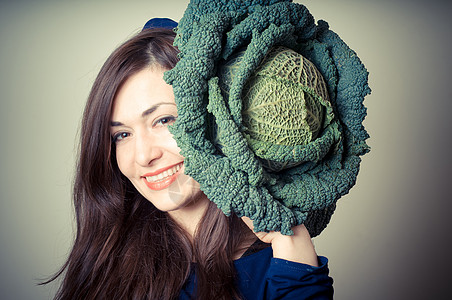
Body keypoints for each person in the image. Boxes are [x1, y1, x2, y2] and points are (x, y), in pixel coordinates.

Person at [47, 21, 334, 299]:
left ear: (218, 120)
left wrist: (291, 244)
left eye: (163, 120)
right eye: (121, 135)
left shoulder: (286, 263)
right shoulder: (106, 260)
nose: (144, 156)